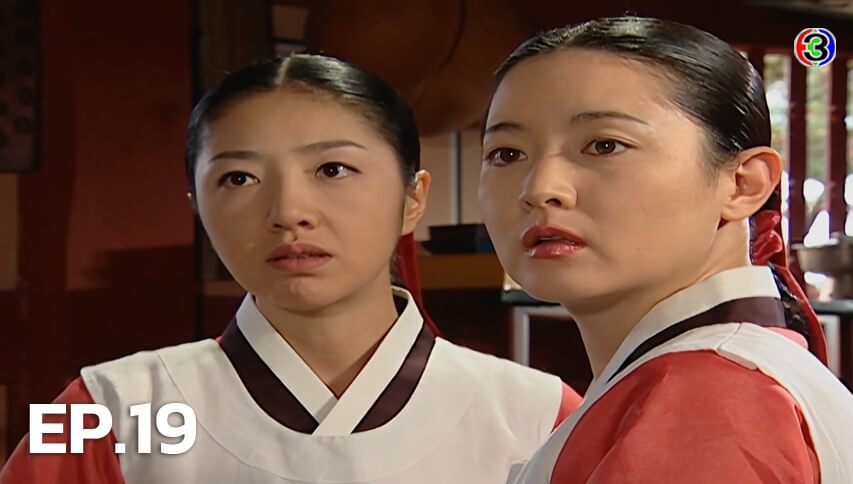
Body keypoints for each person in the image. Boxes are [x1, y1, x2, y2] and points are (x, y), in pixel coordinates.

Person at [1, 53, 580, 484]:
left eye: (332, 170)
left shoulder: (538, 415)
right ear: (198, 208)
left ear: (413, 197)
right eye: (239, 178)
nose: (288, 212)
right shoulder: (102, 408)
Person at [478, 16, 853, 484]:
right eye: (507, 154)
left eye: (604, 145)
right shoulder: (720, 373)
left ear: (743, 183)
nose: (540, 188)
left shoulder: (709, 398)